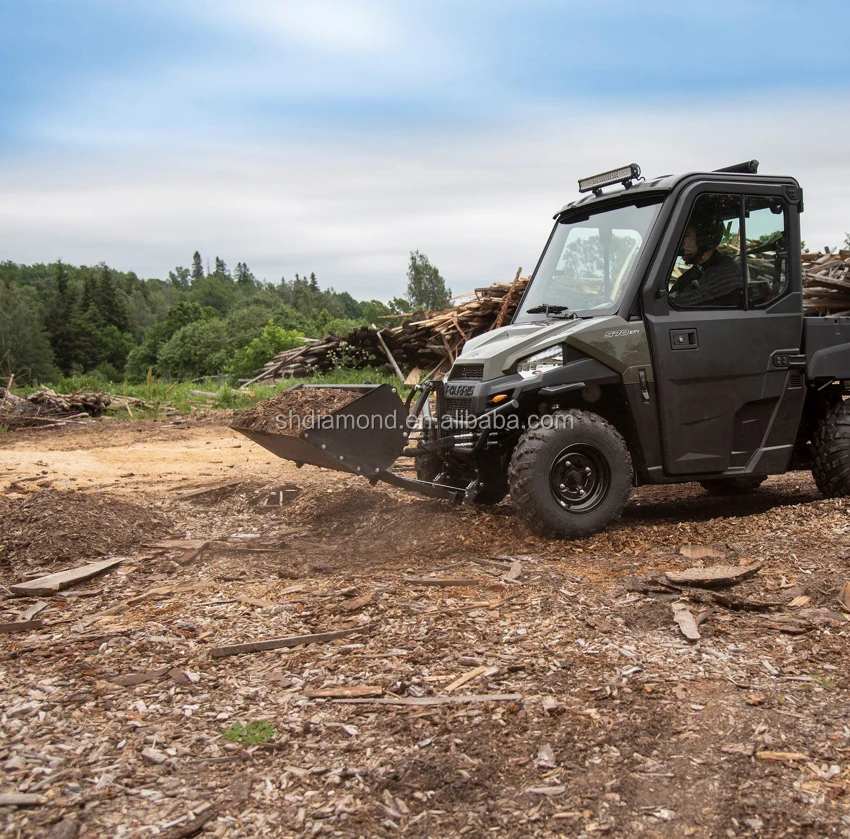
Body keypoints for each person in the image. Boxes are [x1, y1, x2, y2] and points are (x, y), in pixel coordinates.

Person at [669, 217, 742, 307]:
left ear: (703, 241)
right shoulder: (696, 271)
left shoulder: (726, 273)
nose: (681, 242)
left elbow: (679, 305)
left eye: (686, 236)